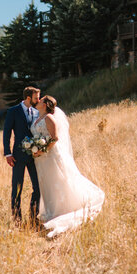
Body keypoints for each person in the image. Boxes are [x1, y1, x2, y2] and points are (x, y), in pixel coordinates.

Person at [31, 95, 105, 238]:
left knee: (58, 180)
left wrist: (42, 150)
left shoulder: (49, 118)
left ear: (45, 105)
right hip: (41, 159)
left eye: (41, 101)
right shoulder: (37, 119)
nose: (38, 101)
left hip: (51, 155)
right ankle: (51, 210)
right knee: (48, 183)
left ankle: (62, 210)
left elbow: (55, 138)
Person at [2, 86, 41, 224]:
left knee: (38, 187)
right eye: (36, 97)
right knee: (17, 188)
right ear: (29, 97)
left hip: (34, 157)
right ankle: (17, 221)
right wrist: (7, 153)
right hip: (17, 156)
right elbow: (7, 132)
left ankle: (33, 217)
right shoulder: (13, 111)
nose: (38, 100)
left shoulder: (36, 112)